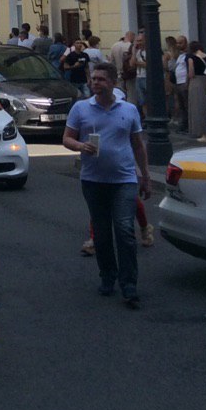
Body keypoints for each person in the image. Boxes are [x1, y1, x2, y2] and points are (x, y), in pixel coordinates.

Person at [63, 62, 152, 308]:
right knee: (101, 234)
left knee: (124, 230)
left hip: (124, 179)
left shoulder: (129, 110)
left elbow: (137, 144)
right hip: (93, 181)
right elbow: (67, 138)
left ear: (113, 82)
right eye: (93, 79)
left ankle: (129, 283)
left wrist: (144, 176)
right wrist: (80, 146)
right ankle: (107, 275)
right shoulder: (81, 109)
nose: (95, 83)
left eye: (101, 79)